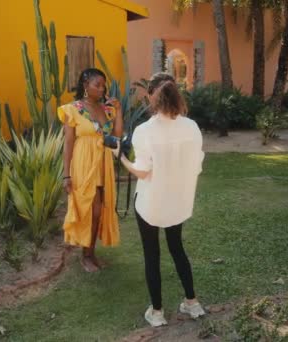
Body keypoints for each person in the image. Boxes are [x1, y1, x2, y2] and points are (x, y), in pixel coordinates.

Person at [115, 72, 206, 326]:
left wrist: (120, 157)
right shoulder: (192, 127)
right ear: (176, 93)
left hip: (151, 203)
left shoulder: (145, 131)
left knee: (152, 255)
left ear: (152, 95)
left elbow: (143, 171)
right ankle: (192, 303)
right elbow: (196, 164)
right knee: (177, 248)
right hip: (178, 202)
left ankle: (157, 313)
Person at [57, 68, 123, 273]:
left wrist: (119, 112)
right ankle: (86, 255)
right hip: (84, 163)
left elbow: (116, 136)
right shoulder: (73, 109)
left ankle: (91, 252)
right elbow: (68, 144)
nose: (102, 89)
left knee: (99, 210)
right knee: (90, 209)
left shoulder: (106, 109)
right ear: (86, 85)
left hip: (103, 163)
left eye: (104, 85)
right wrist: (66, 174)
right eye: (98, 85)